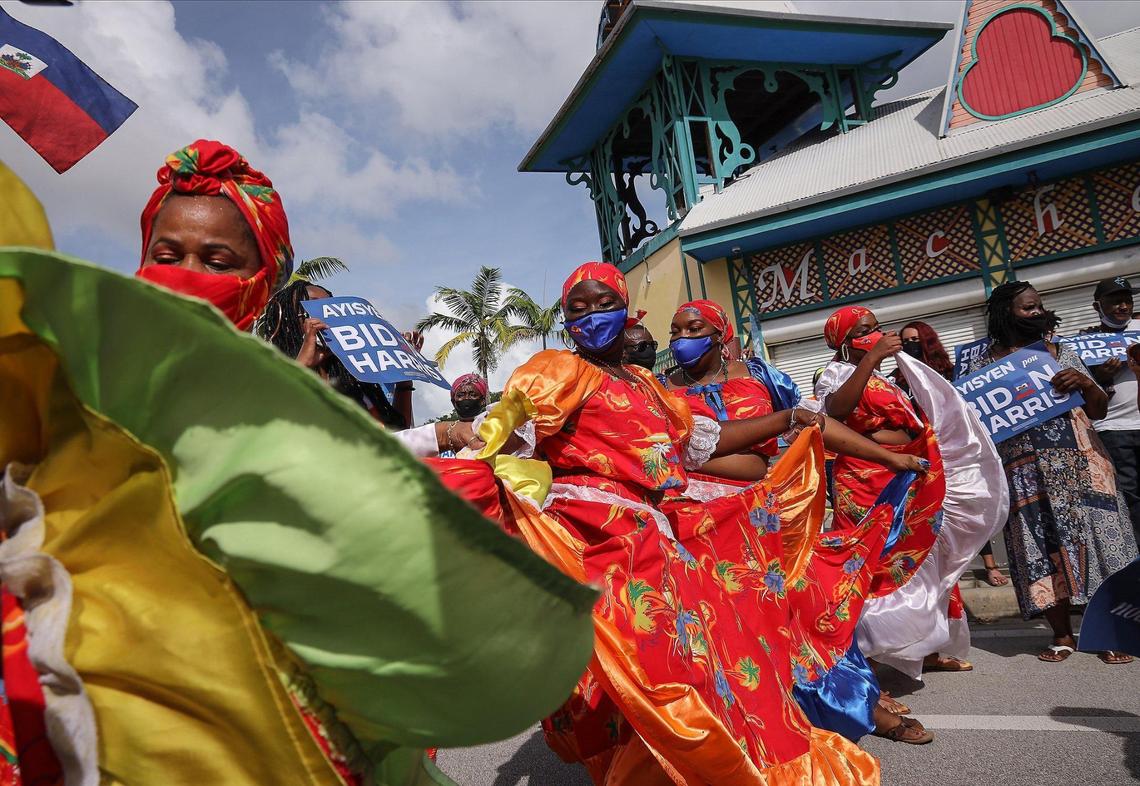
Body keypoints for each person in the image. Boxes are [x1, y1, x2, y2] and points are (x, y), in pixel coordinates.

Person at [437, 262, 932, 783]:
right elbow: (508, 431)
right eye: (576, 308)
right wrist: (469, 455)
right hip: (592, 538)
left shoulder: (647, 385)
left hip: (655, 535)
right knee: (639, 668)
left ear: (624, 308)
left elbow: (704, 443)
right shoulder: (559, 369)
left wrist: (787, 419)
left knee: (700, 659)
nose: (589, 317)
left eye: (602, 304)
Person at [815, 305, 1006, 682]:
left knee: (920, 553)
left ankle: (925, 647)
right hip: (865, 484)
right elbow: (836, 414)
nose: (876, 334)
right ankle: (867, 658)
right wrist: (870, 360)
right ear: (844, 344)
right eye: (864, 332)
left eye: (876, 328)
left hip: (905, 476)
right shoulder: (833, 373)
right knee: (874, 562)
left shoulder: (887, 380)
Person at [965, 281, 1138, 664]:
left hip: (1081, 464)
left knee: (1097, 544)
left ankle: (1106, 631)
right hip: (1023, 471)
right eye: (1028, 308)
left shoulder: (1062, 352)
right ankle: (1061, 634)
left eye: (1040, 307)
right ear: (1006, 313)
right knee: (1037, 548)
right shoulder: (983, 366)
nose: (1037, 313)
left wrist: (1083, 383)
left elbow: (1097, 410)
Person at [257, 279, 412, 428]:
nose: (324, 313)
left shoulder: (353, 376)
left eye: (329, 306)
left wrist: (405, 377)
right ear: (288, 317)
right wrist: (302, 364)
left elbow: (397, 429)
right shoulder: (268, 369)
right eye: (311, 305)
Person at [1083, 277, 1140, 544]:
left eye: (1127, 300)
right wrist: (1100, 376)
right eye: (1115, 301)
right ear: (1097, 306)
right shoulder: (1085, 342)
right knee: (1129, 495)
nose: (1122, 306)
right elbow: (1080, 390)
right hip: (1113, 429)